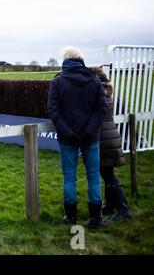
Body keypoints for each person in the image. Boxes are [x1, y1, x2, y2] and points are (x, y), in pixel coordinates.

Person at [47, 47, 108, 228]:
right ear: (81, 59)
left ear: (65, 60)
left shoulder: (58, 82)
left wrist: (68, 132)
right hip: (91, 137)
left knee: (69, 177)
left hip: (68, 138)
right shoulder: (94, 81)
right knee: (94, 176)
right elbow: (101, 109)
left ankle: (71, 217)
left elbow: (53, 111)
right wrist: (89, 131)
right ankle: (96, 218)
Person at [90, 66, 132, 221]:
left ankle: (123, 208)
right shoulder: (107, 91)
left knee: (108, 175)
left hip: (104, 137)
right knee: (105, 171)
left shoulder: (97, 93)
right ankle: (110, 205)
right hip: (110, 135)